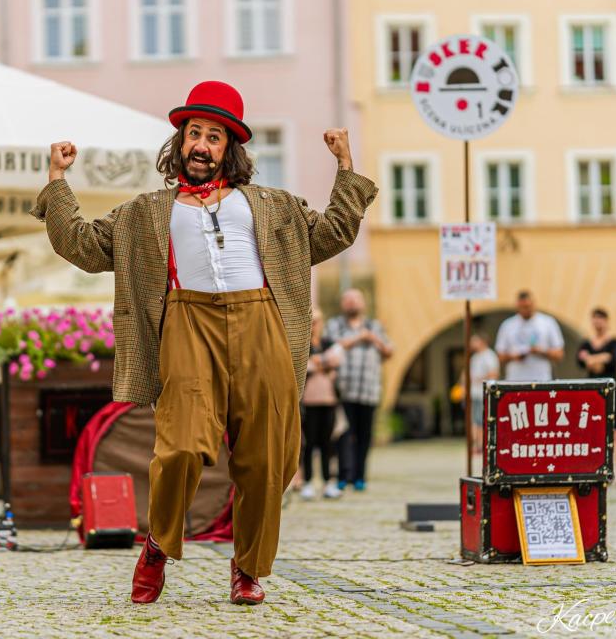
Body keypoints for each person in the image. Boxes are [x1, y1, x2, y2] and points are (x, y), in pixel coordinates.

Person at [31, 80, 377, 605]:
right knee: (181, 447)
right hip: (187, 322)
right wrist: (57, 180)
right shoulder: (146, 212)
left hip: (262, 322)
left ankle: (248, 567)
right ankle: (157, 545)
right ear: (180, 142)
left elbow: (332, 233)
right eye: (194, 133)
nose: (201, 145)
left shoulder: (272, 204)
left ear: (228, 148)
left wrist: (345, 166)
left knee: (268, 458)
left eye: (214, 137)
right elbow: (83, 245)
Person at [324, 289, 392, 492]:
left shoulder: (374, 326)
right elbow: (329, 348)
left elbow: (389, 351)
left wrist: (374, 339)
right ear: (342, 304)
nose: (352, 303)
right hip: (342, 391)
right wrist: (359, 338)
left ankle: (360, 477)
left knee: (364, 437)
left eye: (355, 300)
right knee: (343, 435)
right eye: (348, 300)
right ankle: (343, 476)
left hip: (368, 391)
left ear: (363, 303)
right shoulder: (335, 325)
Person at [577, 308, 616, 486]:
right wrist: (602, 358)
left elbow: (613, 359)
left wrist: (591, 359)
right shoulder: (586, 342)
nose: (597, 322)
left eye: (600, 319)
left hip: (612, 392)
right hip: (592, 392)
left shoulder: (615, 342)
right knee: (592, 432)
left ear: (606, 321)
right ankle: (595, 471)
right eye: (595, 319)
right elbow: (580, 360)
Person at [300, 310, 343, 500]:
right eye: (311, 322)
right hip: (309, 402)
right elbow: (303, 366)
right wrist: (323, 363)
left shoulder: (328, 343)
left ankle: (328, 482)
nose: (314, 326)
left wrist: (317, 362)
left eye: (316, 322)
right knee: (309, 443)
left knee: (328, 443)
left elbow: (337, 359)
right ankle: (308, 482)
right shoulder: (302, 345)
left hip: (329, 400)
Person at [495, 290, 564, 382]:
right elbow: (499, 357)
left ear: (534, 304)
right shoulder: (508, 325)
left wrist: (541, 351)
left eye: (528, 306)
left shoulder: (548, 323)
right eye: (522, 307)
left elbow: (559, 354)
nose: (526, 310)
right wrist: (513, 356)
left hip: (542, 380)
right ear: (517, 306)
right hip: (515, 380)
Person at [466, 332, 499, 454]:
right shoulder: (474, 357)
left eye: (474, 340)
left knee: (481, 420)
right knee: (475, 420)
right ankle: (476, 444)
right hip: (473, 393)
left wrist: (479, 379)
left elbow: (493, 374)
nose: (471, 343)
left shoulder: (489, 356)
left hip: (483, 393)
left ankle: (481, 444)